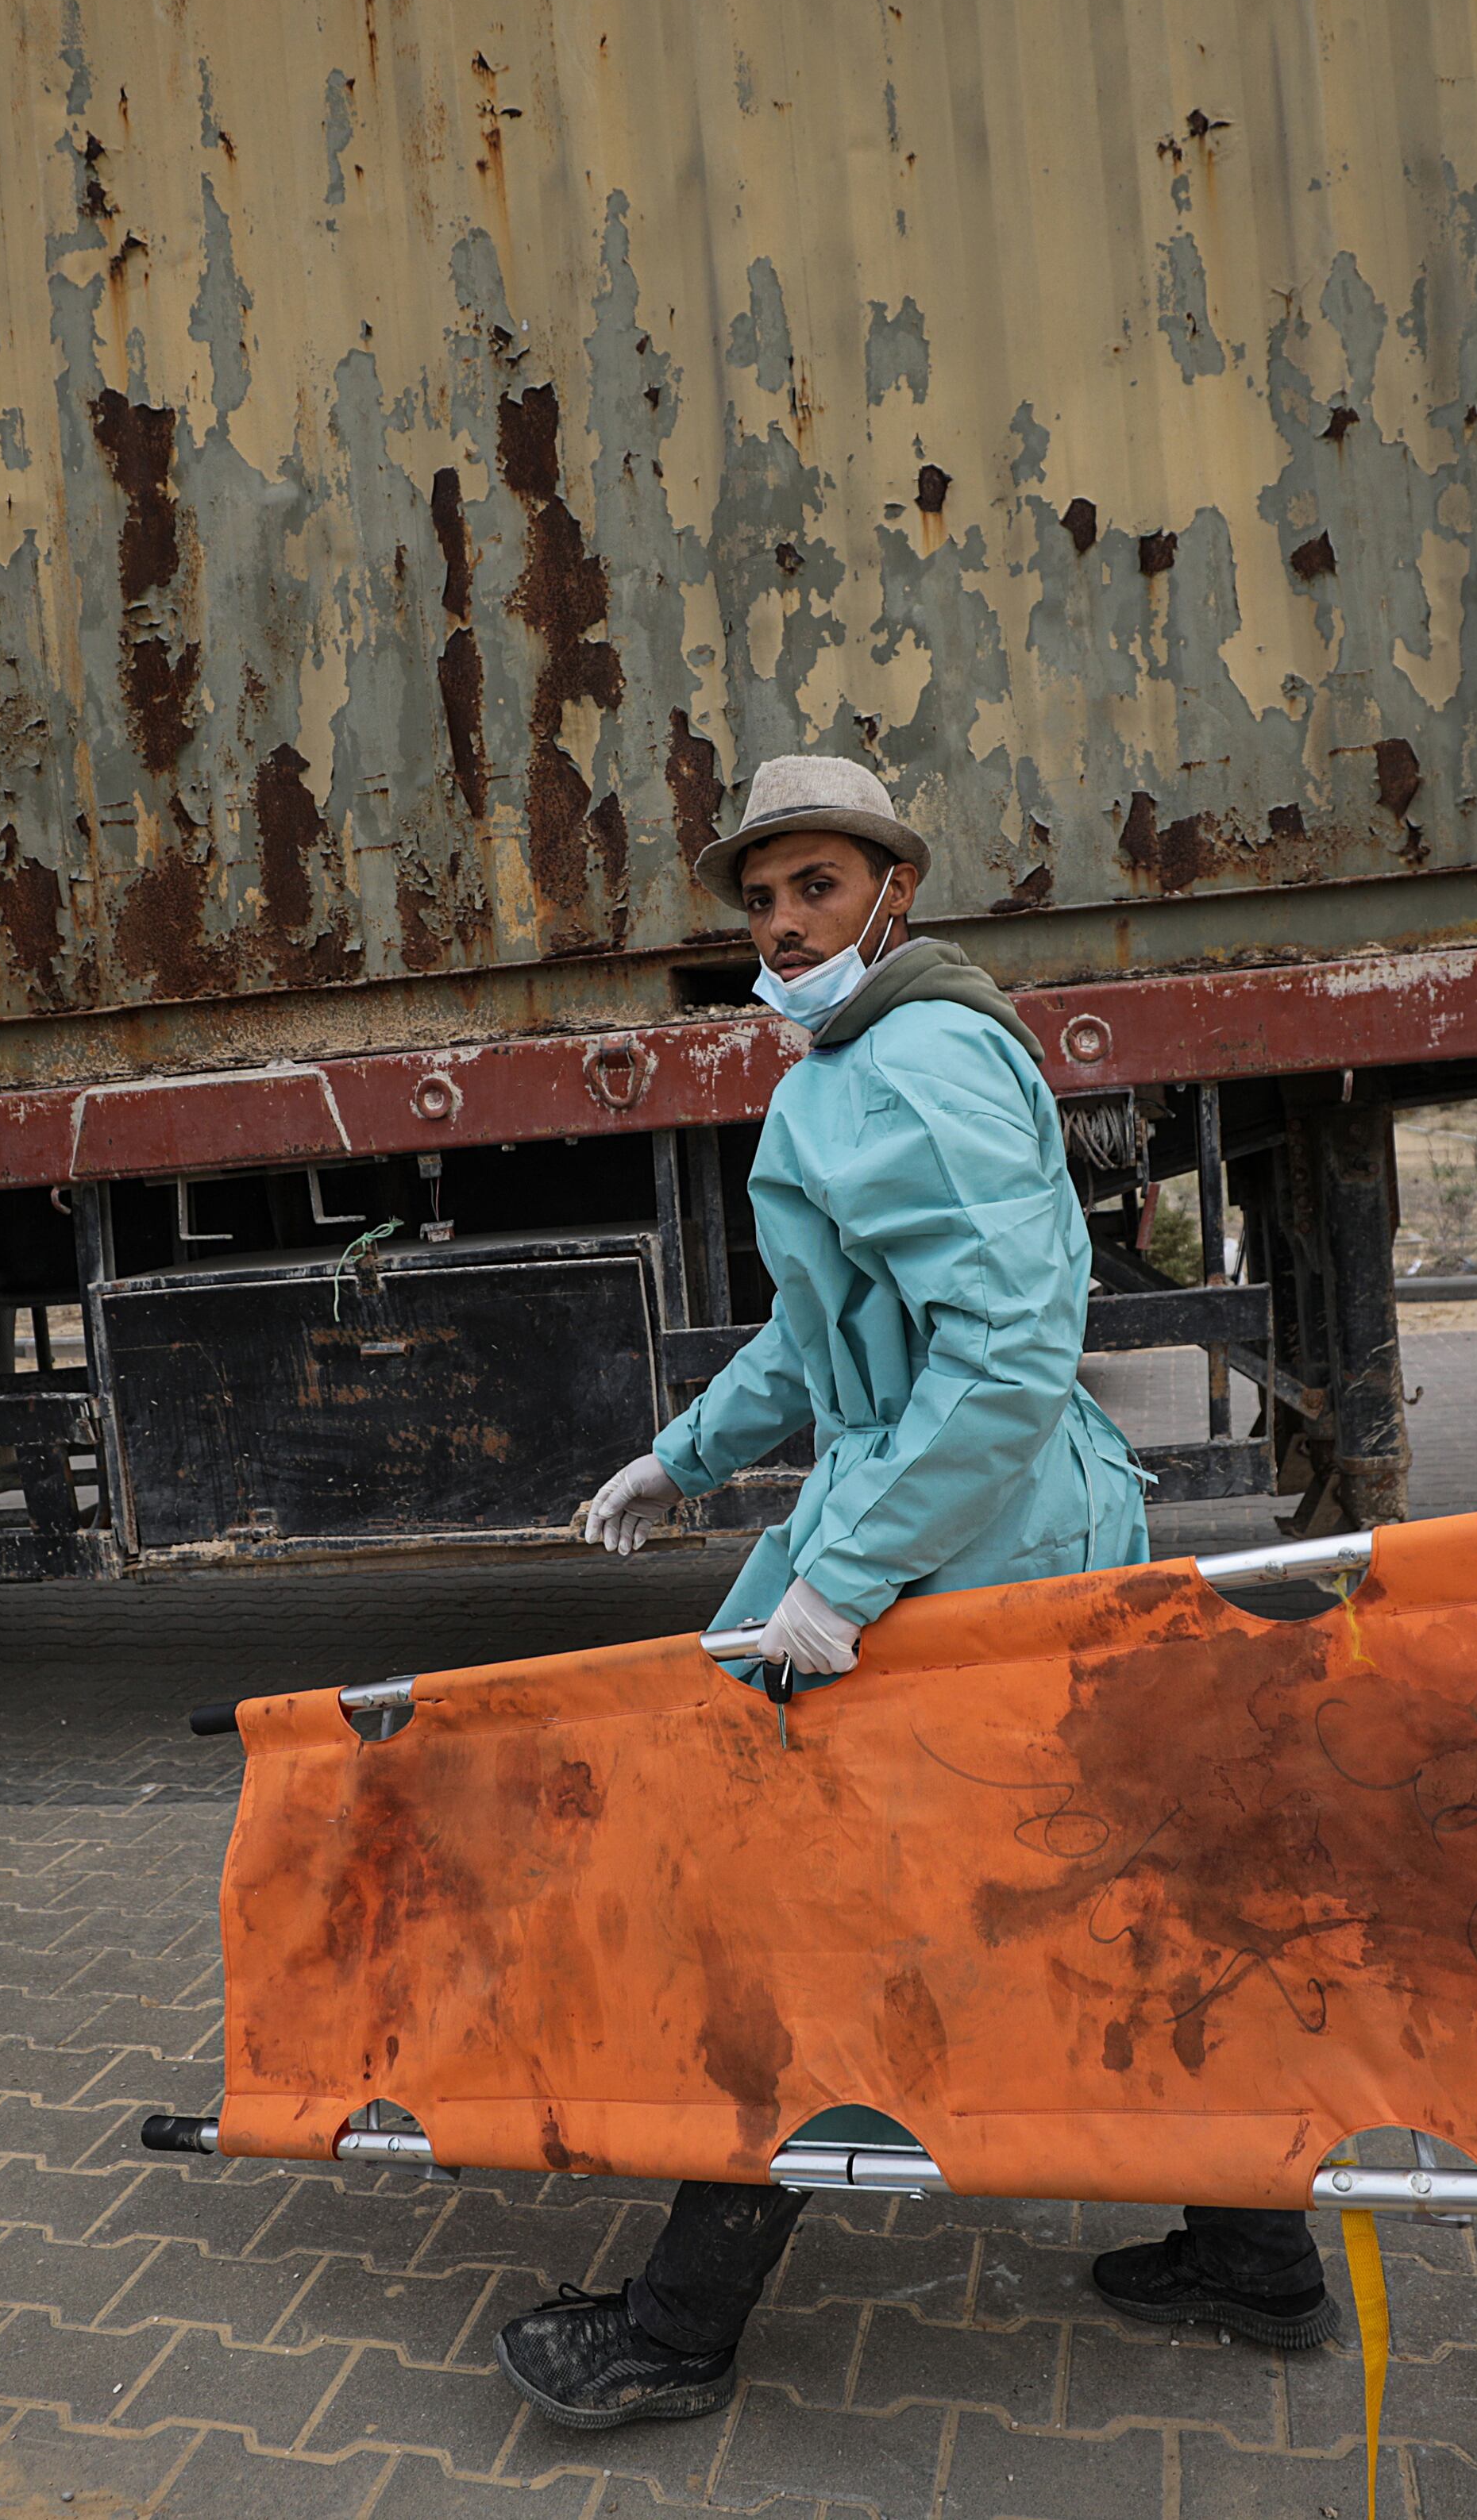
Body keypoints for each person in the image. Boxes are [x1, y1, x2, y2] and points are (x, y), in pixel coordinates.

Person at [494, 753, 1332, 2432]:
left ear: (894, 888)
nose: (787, 920)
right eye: (762, 893)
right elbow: (822, 1330)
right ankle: (1255, 2252)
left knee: (816, 1913)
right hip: (946, 1524)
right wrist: (686, 1455)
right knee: (1099, 1899)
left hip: (981, 1551)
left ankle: (675, 2328)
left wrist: (849, 1581)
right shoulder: (846, 1057)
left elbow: (1011, 1350)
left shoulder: (922, 1052)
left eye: (821, 883)